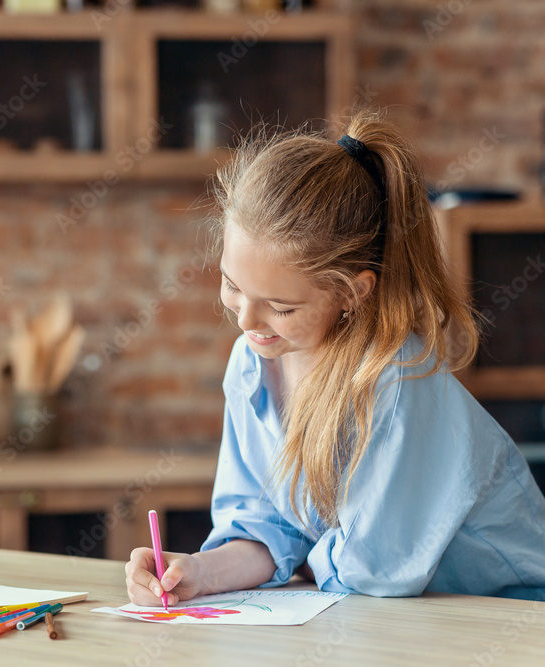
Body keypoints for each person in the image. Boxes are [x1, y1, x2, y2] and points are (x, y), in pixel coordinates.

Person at [126, 111, 545, 602]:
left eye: (281, 307)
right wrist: (200, 571)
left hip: (510, 615)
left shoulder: (396, 379)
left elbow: (374, 570)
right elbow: (265, 529)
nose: (245, 322)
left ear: (352, 293)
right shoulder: (252, 364)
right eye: (232, 286)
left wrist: (287, 562)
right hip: (397, 618)